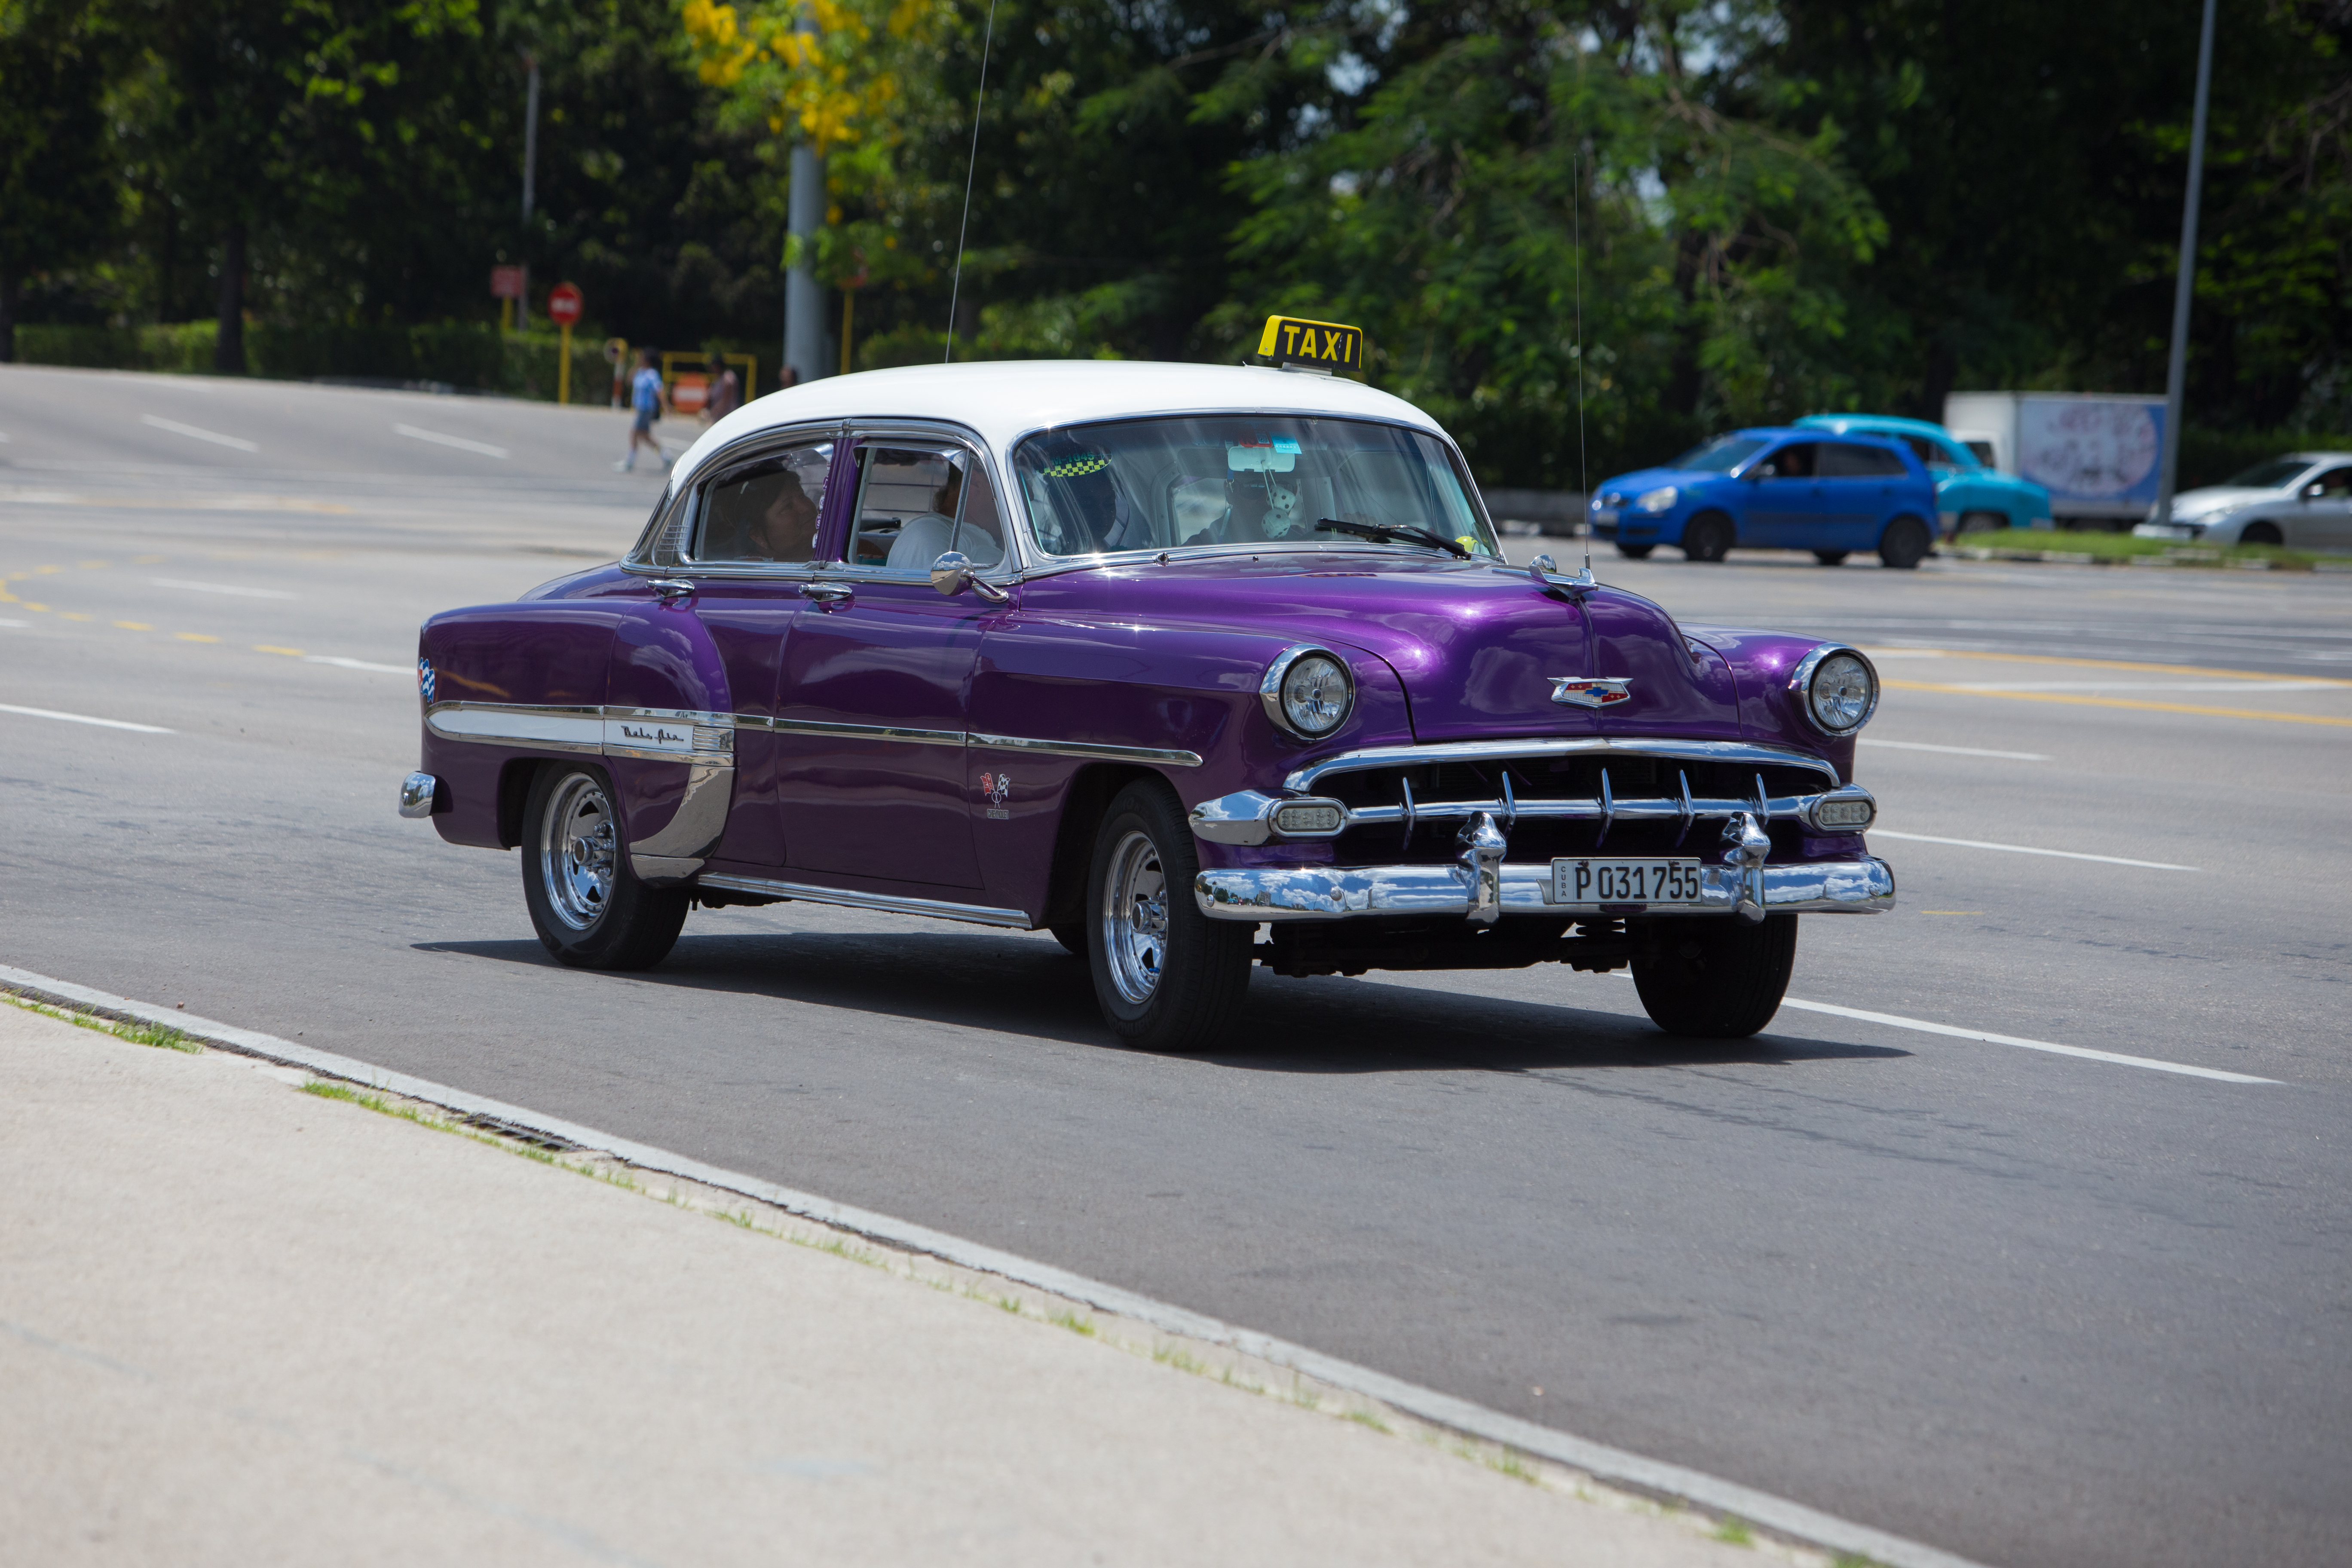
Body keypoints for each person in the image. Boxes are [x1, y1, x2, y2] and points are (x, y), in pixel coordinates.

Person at [617, 349, 666, 472]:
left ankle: (630, 462)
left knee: (634, 433)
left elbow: (659, 391)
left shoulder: (652, 374)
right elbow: (629, 381)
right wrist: (635, 366)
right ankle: (665, 456)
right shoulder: (640, 372)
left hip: (647, 408)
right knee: (645, 436)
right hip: (640, 408)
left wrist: (666, 406)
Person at [703, 353, 742, 424]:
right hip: (719, 417)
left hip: (728, 416)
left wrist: (711, 413)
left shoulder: (728, 378)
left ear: (718, 366)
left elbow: (725, 401)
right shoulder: (718, 378)